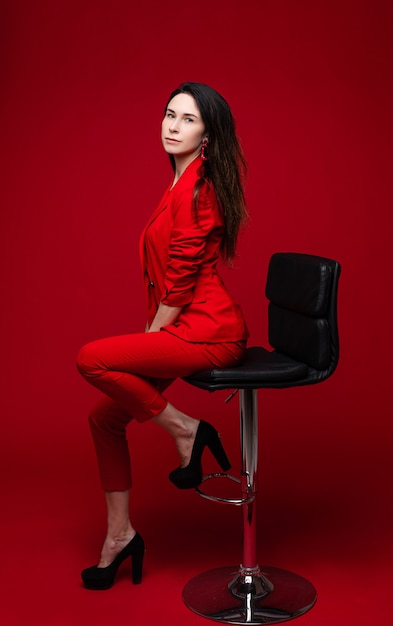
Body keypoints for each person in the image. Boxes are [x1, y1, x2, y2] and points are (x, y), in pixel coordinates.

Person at [76, 82, 249, 590]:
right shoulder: (178, 183)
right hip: (182, 326)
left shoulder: (200, 190)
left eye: (188, 119)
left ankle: (185, 430)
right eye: (169, 115)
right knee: (104, 418)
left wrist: (149, 342)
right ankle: (120, 535)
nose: (173, 125)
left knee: (91, 358)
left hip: (207, 332)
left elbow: (179, 280)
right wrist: (151, 342)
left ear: (208, 135)